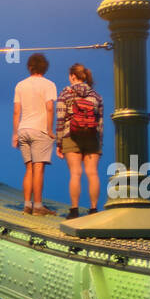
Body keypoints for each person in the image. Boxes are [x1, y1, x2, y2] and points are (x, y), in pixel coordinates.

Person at [55, 63, 104, 218]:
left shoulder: (65, 93)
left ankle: (74, 210)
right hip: (92, 137)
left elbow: (60, 119)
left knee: (75, 173)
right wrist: (99, 142)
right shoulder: (96, 96)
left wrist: (59, 143)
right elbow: (100, 122)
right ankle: (94, 209)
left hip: (71, 135)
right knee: (92, 173)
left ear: (73, 76)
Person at [12, 52, 58, 215]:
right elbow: (50, 108)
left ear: (29, 67)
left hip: (23, 129)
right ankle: (38, 206)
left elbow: (16, 111)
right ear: (44, 68)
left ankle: (27, 204)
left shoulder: (20, 85)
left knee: (29, 169)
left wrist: (15, 133)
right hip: (40, 130)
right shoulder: (49, 85)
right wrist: (50, 130)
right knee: (38, 168)